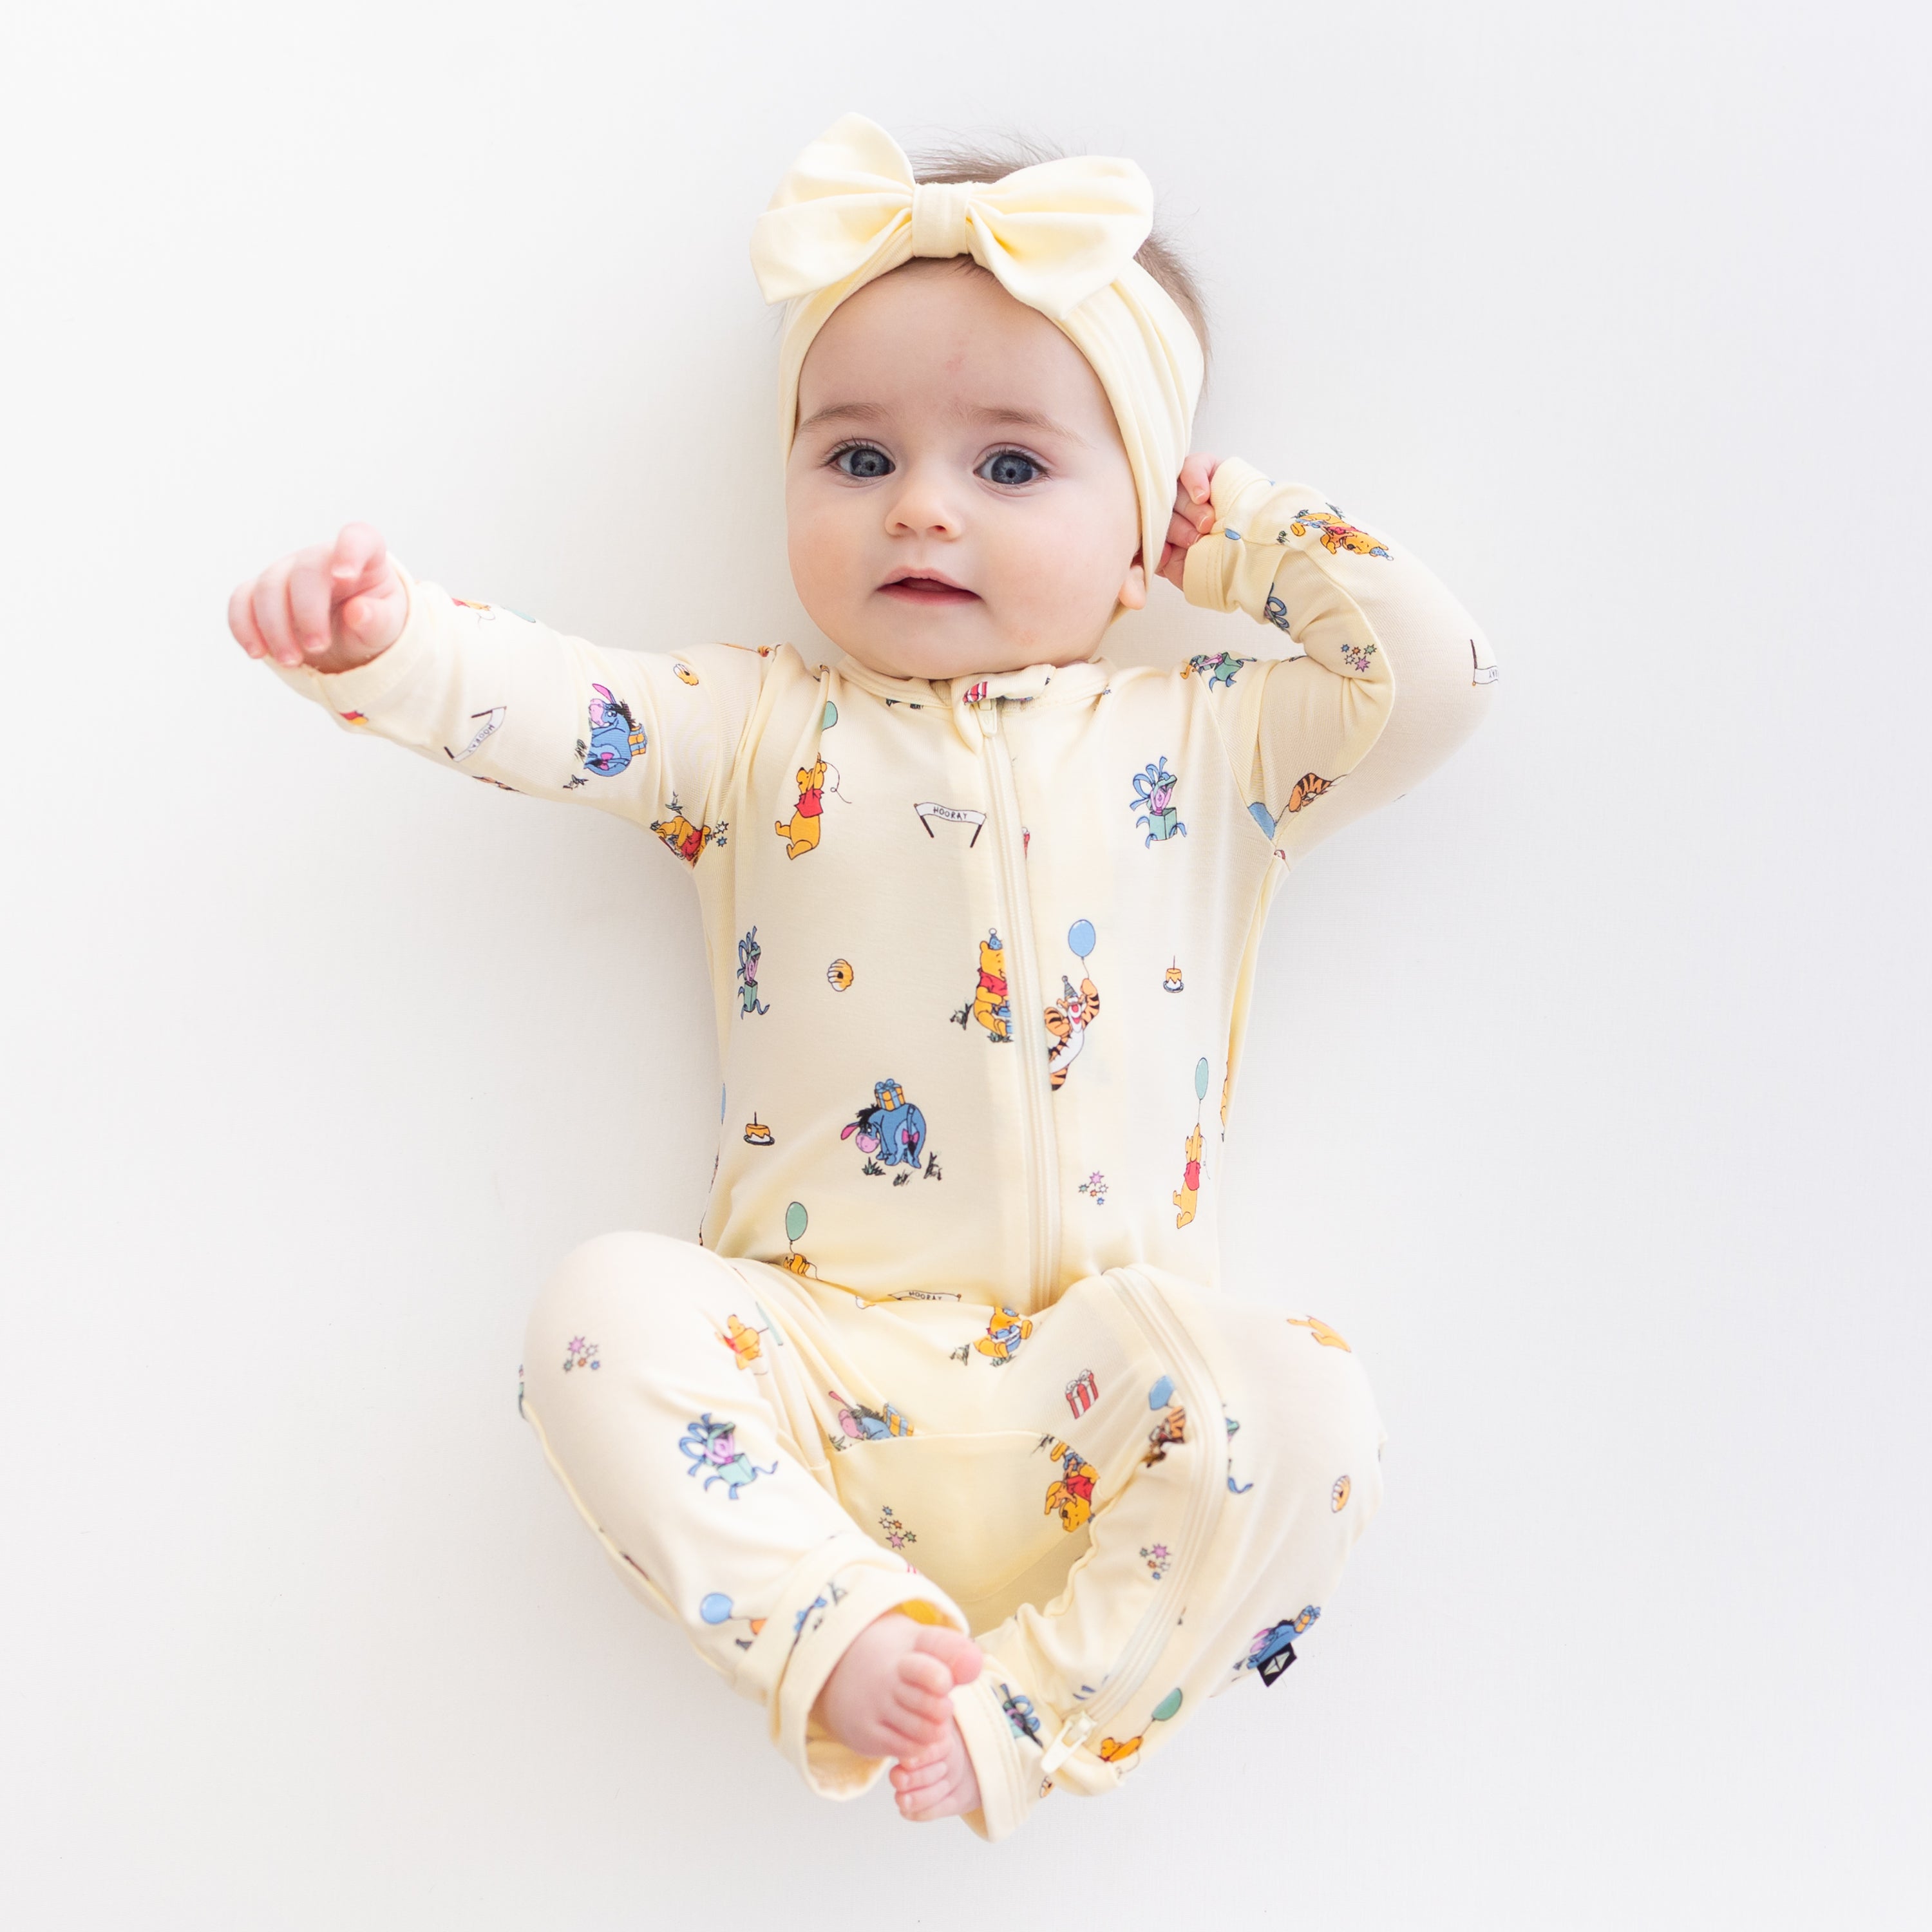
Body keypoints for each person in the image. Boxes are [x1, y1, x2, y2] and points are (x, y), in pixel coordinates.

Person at [227, 112, 1498, 1842]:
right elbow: (558, 704)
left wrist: (1243, 538)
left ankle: (1029, 1719)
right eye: (855, 458)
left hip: (1100, 1373)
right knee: (596, 1317)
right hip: (819, 1373)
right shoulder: (757, 727)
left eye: (1014, 466)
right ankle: (830, 1627)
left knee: (1310, 1405)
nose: (922, 506)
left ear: (1140, 523)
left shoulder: (1210, 739)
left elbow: (1423, 685)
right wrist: (386, 646)